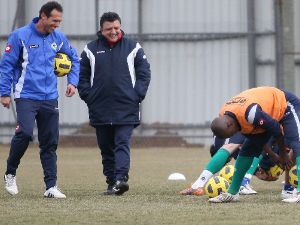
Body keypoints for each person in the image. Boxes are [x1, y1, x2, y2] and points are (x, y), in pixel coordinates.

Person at [0, 1, 79, 198]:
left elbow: (74, 59)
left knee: (50, 142)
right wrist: (4, 92)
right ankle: (10, 172)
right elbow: (7, 66)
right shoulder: (20, 36)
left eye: (60, 21)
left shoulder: (58, 37)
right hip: (25, 95)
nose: (57, 24)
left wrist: (73, 82)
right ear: (42, 16)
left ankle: (51, 186)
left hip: (50, 97)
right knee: (25, 133)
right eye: (54, 20)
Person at [78, 12, 151, 195]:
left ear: (120, 27)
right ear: (101, 30)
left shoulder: (133, 47)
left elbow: (144, 72)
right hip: (100, 108)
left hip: (126, 107)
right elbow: (82, 77)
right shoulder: (89, 49)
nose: (114, 32)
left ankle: (121, 179)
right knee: (106, 148)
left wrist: (137, 95)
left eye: (116, 28)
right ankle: (111, 182)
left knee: (121, 142)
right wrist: (89, 96)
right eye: (109, 29)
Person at [208, 86, 299, 203]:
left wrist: (282, 153)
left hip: (286, 104)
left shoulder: (250, 113)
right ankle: (232, 193)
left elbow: (276, 129)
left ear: (230, 124)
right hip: (266, 112)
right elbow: (257, 141)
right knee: (247, 150)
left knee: (296, 142)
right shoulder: (227, 115)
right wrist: (275, 156)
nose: (234, 135)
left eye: (231, 133)